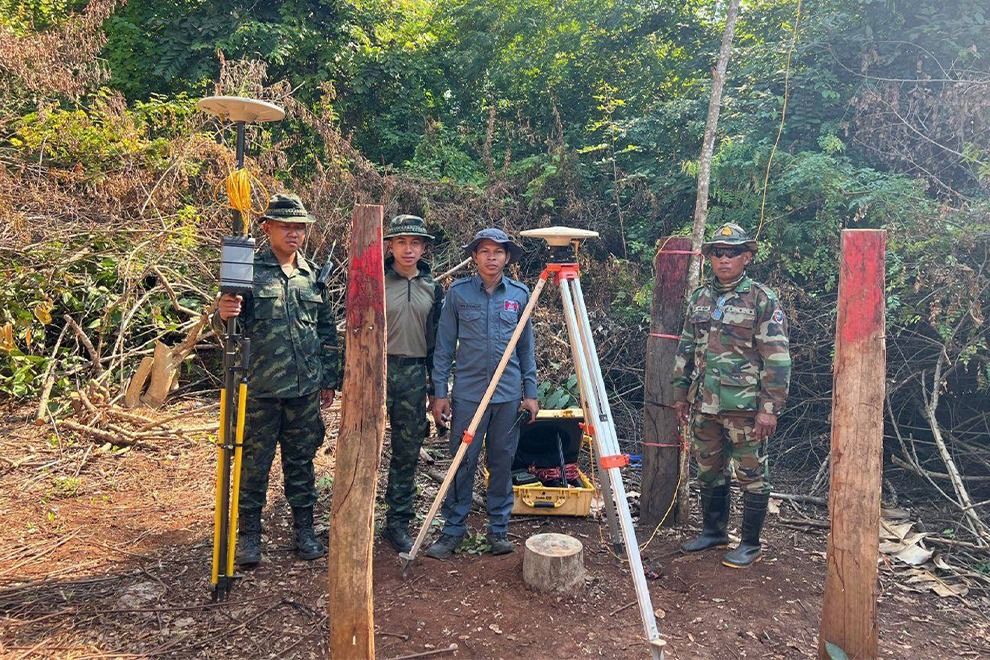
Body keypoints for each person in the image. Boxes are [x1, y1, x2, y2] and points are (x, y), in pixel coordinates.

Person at [213, 193, 340, 566]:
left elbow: (326, 332)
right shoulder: (247, 272)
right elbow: (227, 330)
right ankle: (249, 536)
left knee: (301, 463)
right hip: (260, 391)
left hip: (304, 390)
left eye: (299, 227)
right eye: (286, 226)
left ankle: (304, 531)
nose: (294, 233)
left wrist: (329, 379)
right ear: (267, 228)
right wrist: (222, 313)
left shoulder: (311, 276)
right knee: (254, 464)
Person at [671, 222, 791, 568]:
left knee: (751, 474)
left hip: (745, 408)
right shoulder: (700, 298)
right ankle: (714, 532)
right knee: (709, 469)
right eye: (718, 253)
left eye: (733, 253)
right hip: (703, 403)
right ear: (710, 258)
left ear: (747, 257)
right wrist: (680, 393)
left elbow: (777, 358)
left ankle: (750, 544)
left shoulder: (762, 299)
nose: (724, 259)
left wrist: (769, 409)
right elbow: (686, 347)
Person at [426, 228, 539, 559]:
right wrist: (440, 392)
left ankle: (498, 529)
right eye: (485, 251)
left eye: (498, 252)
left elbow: (526, 349)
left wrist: (530, 392)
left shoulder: (519, 295)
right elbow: (444, 347)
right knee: (462, 461)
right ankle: (453, 530)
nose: (492, 257)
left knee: (502, 461)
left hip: (507, 396)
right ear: (474, 256)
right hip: (468, 396)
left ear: (507, 257)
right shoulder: (458, 294)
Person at [380, 215, 444, 553]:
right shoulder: (375, 280)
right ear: (390, 246)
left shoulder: (432, 288)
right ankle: (356, 517)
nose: (408, 249)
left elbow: (437, 344)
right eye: (402, 242)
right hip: (376, 372)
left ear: (423, 249)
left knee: (406, 452)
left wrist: (436, 390)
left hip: (414, 374)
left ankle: (397, 522)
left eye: (415, 243)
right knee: (364, 449)